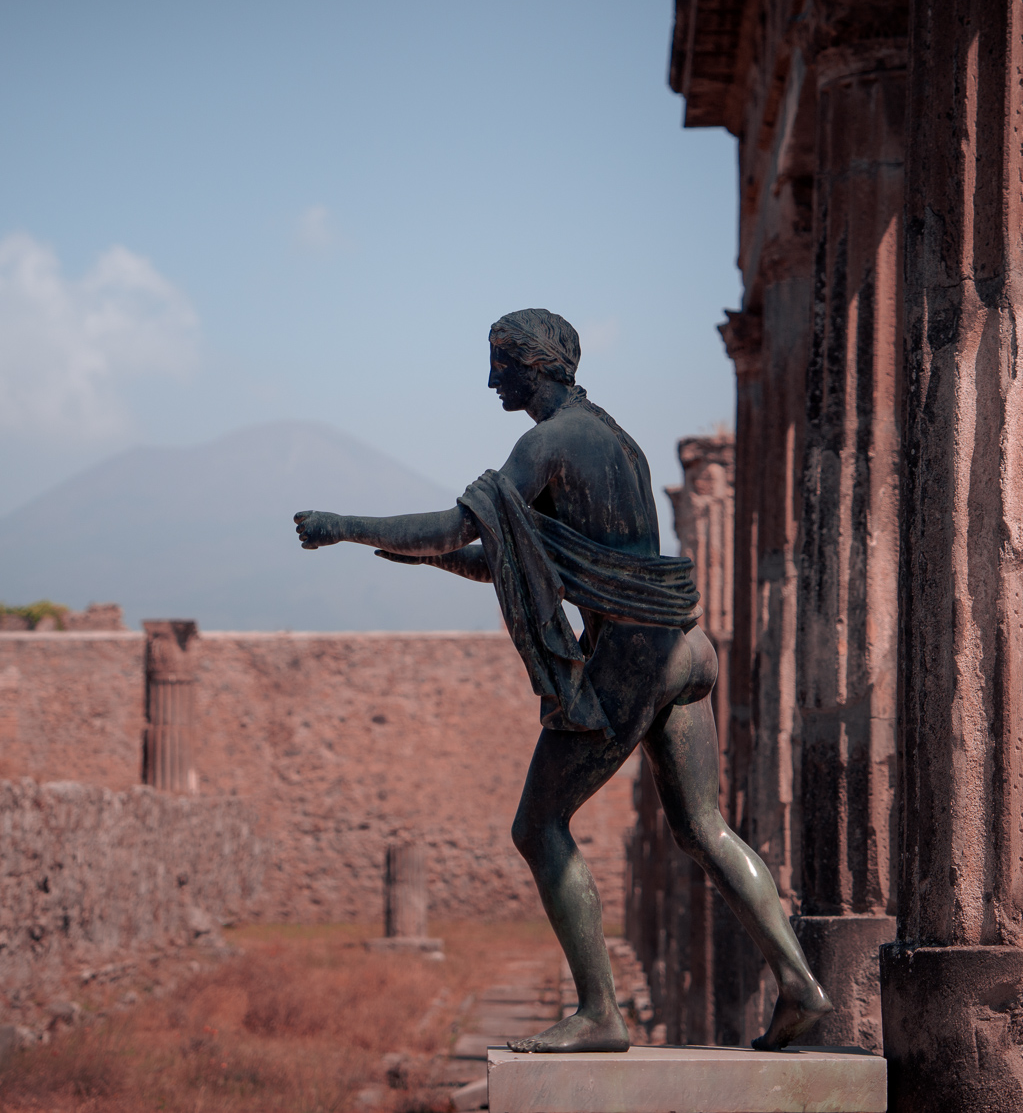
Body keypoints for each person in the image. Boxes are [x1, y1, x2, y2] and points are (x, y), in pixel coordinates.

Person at [294, 309, 830, 1052]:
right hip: (684, 646)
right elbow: (509, 560)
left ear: (536, 364)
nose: (490, 381)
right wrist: (426, 557)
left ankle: (600, 1012)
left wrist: (346, 525)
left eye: (500, 366)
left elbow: (459, 529)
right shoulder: (616, 440)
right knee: (704, 829)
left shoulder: (545, 444)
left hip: (630, 660)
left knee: (538, 827)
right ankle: (800, 982)